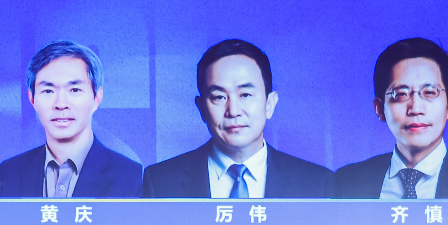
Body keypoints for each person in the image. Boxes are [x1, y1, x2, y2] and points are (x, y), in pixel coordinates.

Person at [142, 40, 333, 198]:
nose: (233, 111)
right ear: (201, 108)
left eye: (245, 95)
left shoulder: (317, 184)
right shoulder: (161, 183)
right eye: (219, 97)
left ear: (269, 103)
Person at [334, 38, 448, 199]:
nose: (416, 109)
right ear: (380, 109)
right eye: (401, 94)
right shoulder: (346, 183)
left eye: (429, 92)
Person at [0, 41, 142, 198]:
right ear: (32, 99)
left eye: (74, 90)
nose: (61, 104)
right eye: (48, 91)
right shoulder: (10, 172)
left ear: (97, 98)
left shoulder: (130, 175)